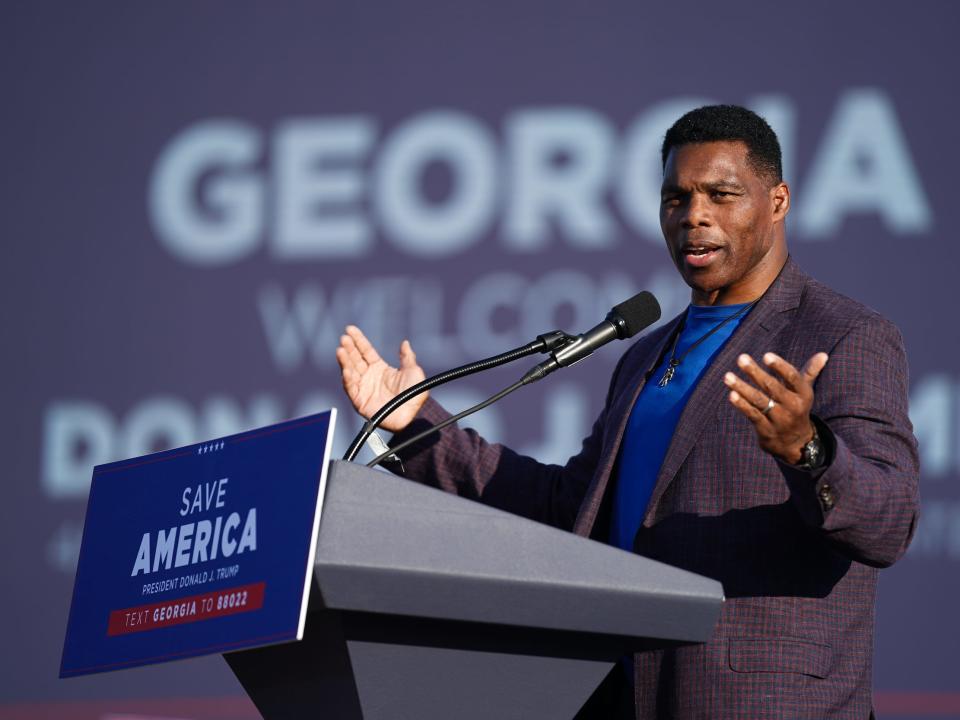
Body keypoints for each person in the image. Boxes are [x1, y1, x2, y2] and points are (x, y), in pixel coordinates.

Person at [336, 105, 919, 719]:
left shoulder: (846, 333)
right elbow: (569, 509)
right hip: (625, 696)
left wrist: (809, 449)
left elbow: (887, 519)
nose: (695, 216)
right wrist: (415, 420)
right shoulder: (644, 353)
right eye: (676, 198)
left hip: (764, 701)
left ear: (777, 202)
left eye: (722, 195)